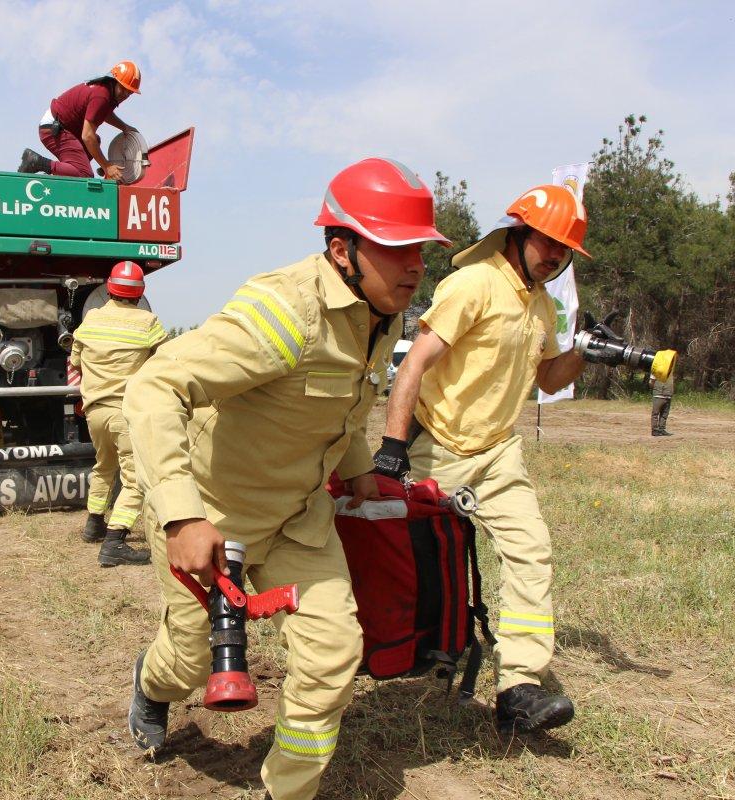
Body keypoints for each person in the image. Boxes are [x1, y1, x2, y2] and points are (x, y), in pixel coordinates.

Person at [122, 158, 449, 800]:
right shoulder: (284, 312)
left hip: (300, 519)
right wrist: (184, 516)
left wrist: (359, 475)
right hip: (215, 521)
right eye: (396, 248)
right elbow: (154, 386)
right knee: (187, 661)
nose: (415, 266)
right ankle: (149, 684)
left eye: (419, 250)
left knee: (332, 657)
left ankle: (288, 790)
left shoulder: (379, 315)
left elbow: (338, 411)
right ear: (342, 249)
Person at [375, 184, 598, 735]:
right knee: (408, 555)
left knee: (531, 550)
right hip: (439, 445)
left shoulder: (542, 305)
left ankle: (518, 685)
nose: (553, 256)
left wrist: (581, 353)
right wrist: (393, 449)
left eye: (563, 250)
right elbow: (414, 366)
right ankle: (410, 648)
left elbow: (548, 378)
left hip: (499, 454)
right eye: (548, 243)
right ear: (518, 234)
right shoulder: (473, 284)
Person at [69, 261, 166, 567]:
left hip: (94, 410)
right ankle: (115, 541)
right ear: (140, 293)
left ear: (110, 288)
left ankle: (94, 524)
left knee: (103, 466)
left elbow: (75, 362)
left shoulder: (92, 319)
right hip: (125, 412)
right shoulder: (148, 322)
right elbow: (165, 362)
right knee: (135, 477)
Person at [18, 60, 142, 181]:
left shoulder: (108, 92)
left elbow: (104, 113)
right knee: (84, 174)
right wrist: (106, 166)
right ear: (115, 80)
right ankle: (36, 162)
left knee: (95, 142)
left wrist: (124, 127)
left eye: (129, 93)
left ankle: (65, 172)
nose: (125, 95)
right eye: (123, 89)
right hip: (53, 129)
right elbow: (87, 136)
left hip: (61, 126)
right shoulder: (101, 95)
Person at [650, 372, 674, 436]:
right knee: (655, 413)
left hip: (668, 396)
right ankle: (654, 430)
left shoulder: (670, 371)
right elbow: (651, 382)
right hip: (658, 395)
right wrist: (657, 390)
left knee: (664, 414)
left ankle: (661, 429)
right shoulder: (656, 370)